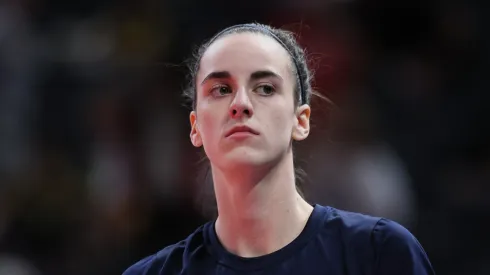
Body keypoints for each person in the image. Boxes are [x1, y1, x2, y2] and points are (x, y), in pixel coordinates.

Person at [123, 23, 435, 275]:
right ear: (195, 128)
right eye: (221, 89)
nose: (241, 104)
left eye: (265, 88)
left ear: (300, 121)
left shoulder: (378, 252)